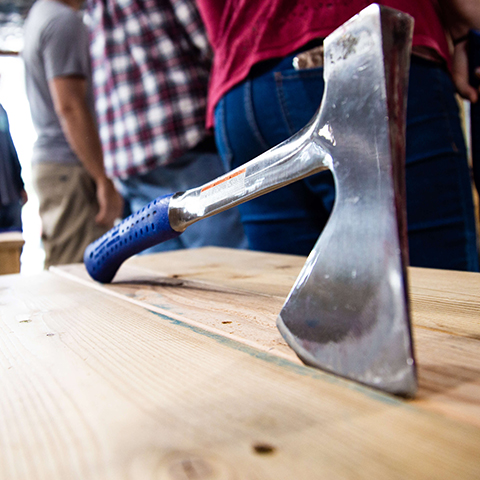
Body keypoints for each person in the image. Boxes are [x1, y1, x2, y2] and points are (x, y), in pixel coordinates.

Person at [195, 0, 480, 272]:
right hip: (365, 50)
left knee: (287, 295)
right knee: (436, 299)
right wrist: (462, 30)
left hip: (240, 94)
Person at [85, 0, 247, 252]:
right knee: (227, 263)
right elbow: (209, 36)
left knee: (164, 272)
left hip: (127, 150)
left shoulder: (95, 7)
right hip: (180, 132)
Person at [22, 0, 123, 268]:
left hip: (55, 164)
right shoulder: (62, 21)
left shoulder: (39, 14)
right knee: (77, 274)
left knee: (64, 268)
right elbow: (69, 106)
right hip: (71, 167)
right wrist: (102, 179)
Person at [0, 101, 27, 231]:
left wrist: (20, 185)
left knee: (15, 243)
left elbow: (11, 149)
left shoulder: (1, 111)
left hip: (11, 195)